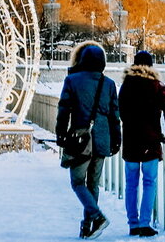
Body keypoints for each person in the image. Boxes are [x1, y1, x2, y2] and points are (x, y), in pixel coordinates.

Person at [56, 41, 120, 239]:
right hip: (101, 139)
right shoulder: (108, 83)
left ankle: (97, 217)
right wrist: (116, 140)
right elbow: (114, 115)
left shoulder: (73, 81)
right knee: (93, 184)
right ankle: (87, 227)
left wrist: (60, 133)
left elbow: (64, 109)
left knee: (77, 182)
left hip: (80, 139)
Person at [119, 50, 165, 237]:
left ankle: (133, 224)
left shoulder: (125, 86)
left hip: (130, 140)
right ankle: (145, 223)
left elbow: (119, 111)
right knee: (149, 182)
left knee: (131, 183)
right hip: (150, 142)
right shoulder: (157, 86)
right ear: (151, 66)